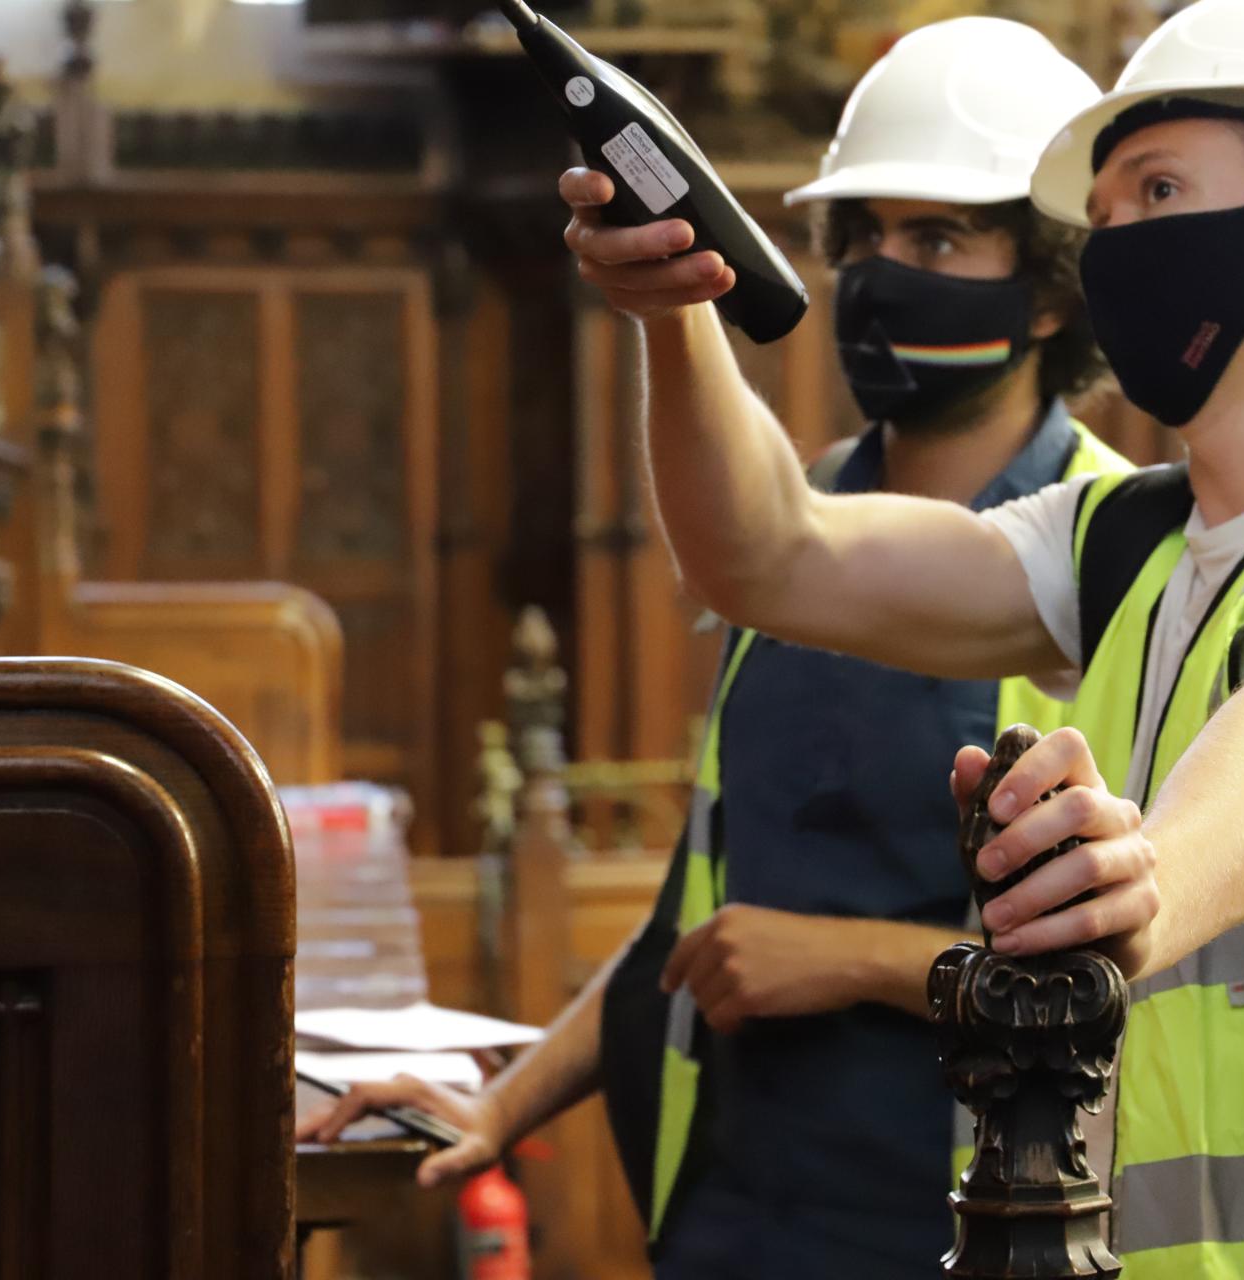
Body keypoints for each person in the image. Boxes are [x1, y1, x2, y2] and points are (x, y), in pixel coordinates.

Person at [551, 2, 1244, 1276]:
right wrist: (673, 308)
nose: (1113, 244)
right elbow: (768, 554)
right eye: (1103, 214)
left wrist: (1145, 877)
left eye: (1157, 190)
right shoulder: (1128, 540)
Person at [300, 18, 1130, 1279]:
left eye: (938, 239)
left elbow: (1142, 954)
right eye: (863, 240)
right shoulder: (786, 532)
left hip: (980, 1220)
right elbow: (692, 917)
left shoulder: (1115, 550)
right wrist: (501, 1100)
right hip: (734, 1216)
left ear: (1054, 285)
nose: (880, 273)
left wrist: (846, 958)